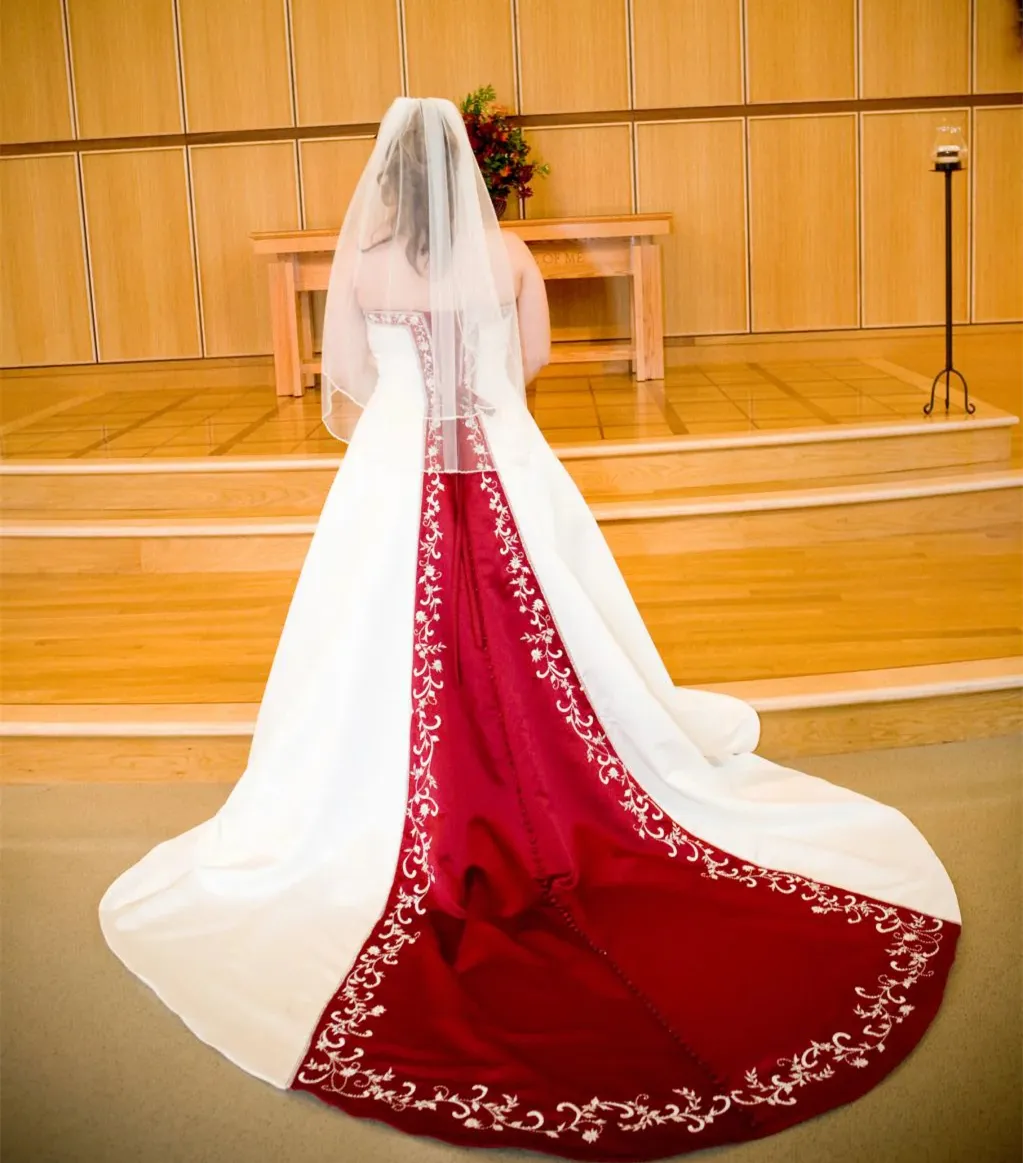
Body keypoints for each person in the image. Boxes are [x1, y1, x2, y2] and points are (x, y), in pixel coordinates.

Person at [100, 98, 959, 1160]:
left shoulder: (362, 266)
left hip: (394, 473)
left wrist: (412, 406)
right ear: (472, 175)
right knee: (564, 625)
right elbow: (534, 360)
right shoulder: (507, 257)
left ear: (387, 180)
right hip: (500, 454)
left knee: (362, 655)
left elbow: (350, 383)